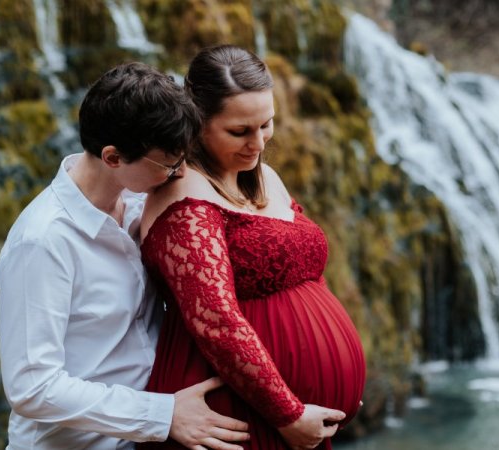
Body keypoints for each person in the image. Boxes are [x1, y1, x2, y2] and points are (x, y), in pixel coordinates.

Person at [0, 62, 250, 450]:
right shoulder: (42, 243)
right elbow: (32, 386)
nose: (180, 174)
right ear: (112, 158)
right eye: (169, 164)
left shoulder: (139, 205)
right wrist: (162, 415)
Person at [139, 45, 366, 450]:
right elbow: (218, 325)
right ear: (197, 121)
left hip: (294, 414)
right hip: (237, 417)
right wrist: (288, 413)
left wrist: (337, 379)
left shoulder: (265, 177)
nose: (258, 144)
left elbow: (307, 276)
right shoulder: (184, 200)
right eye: (240, 131)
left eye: (267, 125)